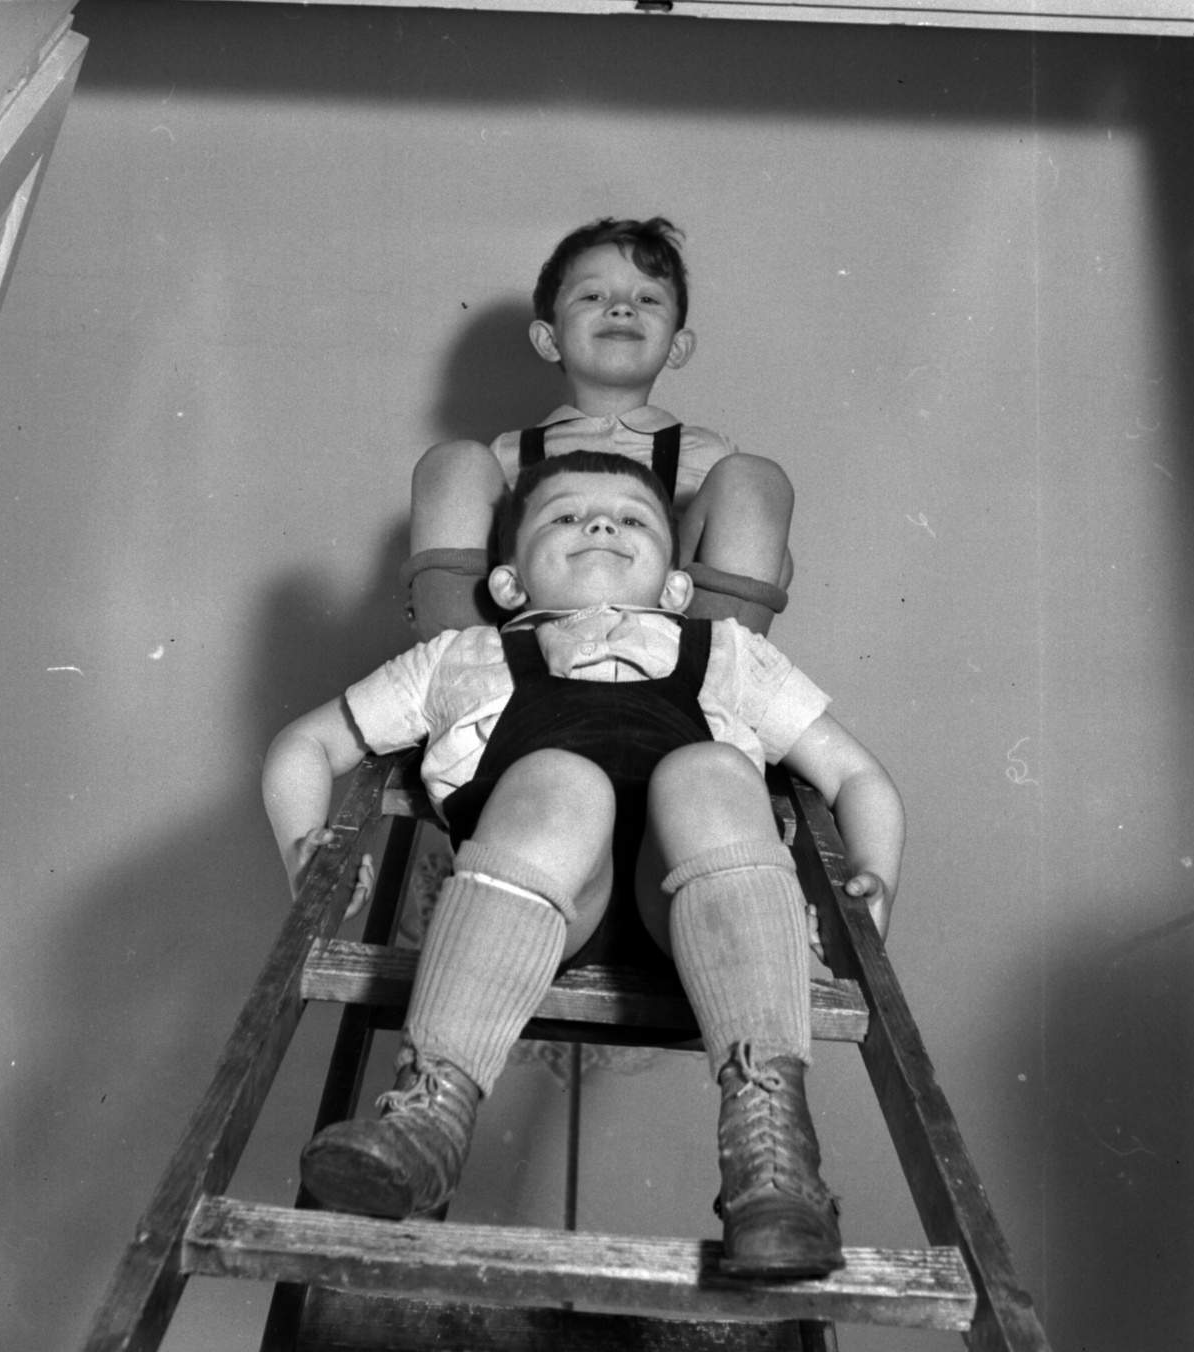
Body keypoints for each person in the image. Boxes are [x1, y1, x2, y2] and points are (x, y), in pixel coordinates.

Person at [263, 450, 904, 1279]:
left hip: (715, 939)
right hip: (528, 927)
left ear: (677, 586)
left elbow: (859, 777)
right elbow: (305, 744)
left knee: (707, 771)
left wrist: (874, 890)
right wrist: (301, 847)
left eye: (632, 519)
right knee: (557, 779)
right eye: (564, 516)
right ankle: (429, 1112)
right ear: (505, 584)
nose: (599, 524)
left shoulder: (727, 653)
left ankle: (770, 1154)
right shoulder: (460, 657)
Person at [402, 217, 795, 641]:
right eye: (593, 295)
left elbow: (773, 568)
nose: (622, 307)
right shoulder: (507, 454)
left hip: (672, 643)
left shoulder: (708, 452)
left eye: (647, 298)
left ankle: (720, 665)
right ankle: (459, 660)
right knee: (454, 462)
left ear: (677, 346)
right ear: (549, 340)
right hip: (527, 641)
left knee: (755, 478)